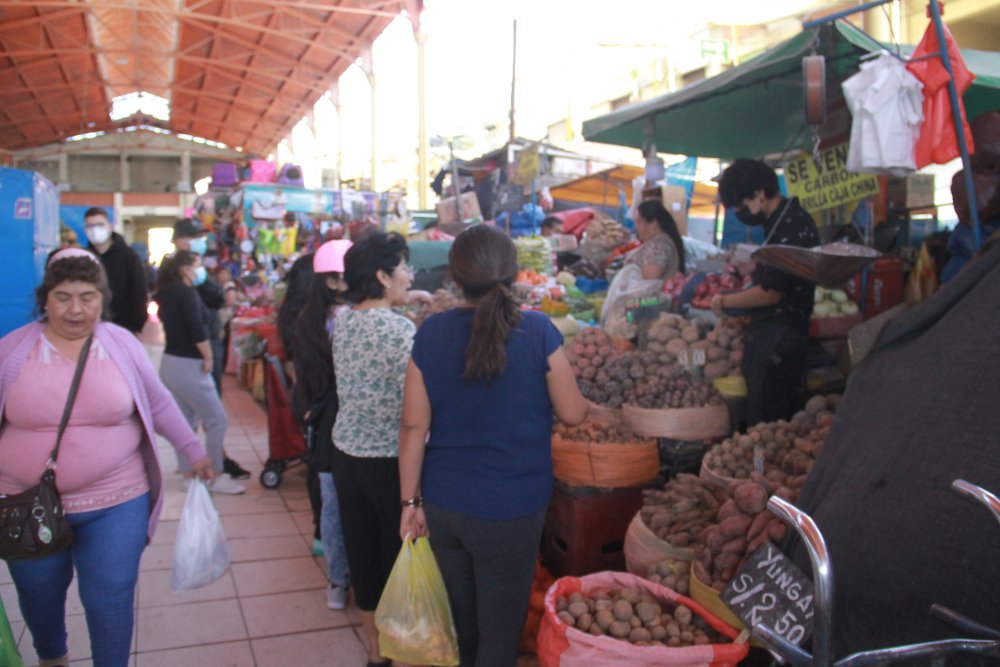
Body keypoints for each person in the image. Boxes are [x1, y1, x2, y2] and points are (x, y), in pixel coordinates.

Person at [0, 248, 214, 667]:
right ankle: (52, 657)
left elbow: (158, 402)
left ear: (103, 298)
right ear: (45, 299)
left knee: (111, 595)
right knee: (38, 593)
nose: (76, 309)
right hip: (25, 505)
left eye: (88, 297)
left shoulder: (120, 344)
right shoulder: (12, 351)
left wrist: (193, 450)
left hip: (116, 500)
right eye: (63, 297)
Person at [399, 225, 589, 667]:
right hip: (513, 508)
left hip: (445, 502)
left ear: (455, 276)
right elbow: (574, 413)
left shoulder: (431, 333)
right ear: (515, 274)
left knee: (464, 627)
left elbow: (412, 426)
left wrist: (410, 501)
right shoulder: (539, 331)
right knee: (500, 637)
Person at [331, 231, 415, 667]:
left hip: (347, 456)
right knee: (397, 560)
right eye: (404, 268)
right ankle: (403, 655)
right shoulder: (401, 331)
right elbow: (417, 405)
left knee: (363, 558)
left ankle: (376, 655)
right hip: (388, 462)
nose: (409, 275)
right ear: (383, 275)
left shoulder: (342, 322)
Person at [713, 158, 819, 426]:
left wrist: (724, 301)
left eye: (742, 204)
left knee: (765, 423)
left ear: (759, 193)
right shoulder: (781, 221)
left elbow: (770, 293)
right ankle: (760, 466)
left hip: (779, 339)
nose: (742, 212)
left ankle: (761, 467)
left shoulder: (789, 225)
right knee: (766, 418)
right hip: (776, 336)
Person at [290, 240, 354, 611]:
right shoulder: (345, 319)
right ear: (332, 281)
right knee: (343, 505)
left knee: (331, 506)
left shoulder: (308, 318)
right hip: (340, 421)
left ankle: (336, 581)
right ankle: (349, 577)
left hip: (320, 421)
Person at [155, 250, 245, 495]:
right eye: (197, 266)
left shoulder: (168, 293)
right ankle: (215, 474)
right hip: (190, 365)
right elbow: (196, 329)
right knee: (216, 420)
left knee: (186, 421)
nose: (201, 270)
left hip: (171, 363)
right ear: (186, 270)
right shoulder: (187, 294)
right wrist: (208, 355)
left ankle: (188, 474)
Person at [172, 218, 250, 480]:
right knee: (212, 416)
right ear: (180, 241)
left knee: (197, 413)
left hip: (198, 349)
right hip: (195, 352)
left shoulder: (195, 271)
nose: (200, 242)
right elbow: (196, 318)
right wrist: (206, 353)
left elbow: (215, 301)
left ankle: (201, 465)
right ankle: (213, 468)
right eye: (194, 236)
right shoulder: (179, 275)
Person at [83, 208, 149, 334]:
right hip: (91, 330)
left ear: (110, 226)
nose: (95, 229)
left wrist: (136, 327)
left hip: (123, 328)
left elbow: (139, 292)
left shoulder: (129, 257)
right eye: (90, 226)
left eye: (100, 224)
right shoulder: (85, 258)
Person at [630, 200, 686, 279]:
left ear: (653, 223)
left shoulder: (658, 246)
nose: (636, 227)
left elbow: (649, 280)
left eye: (639, 222)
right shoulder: (661, 242)